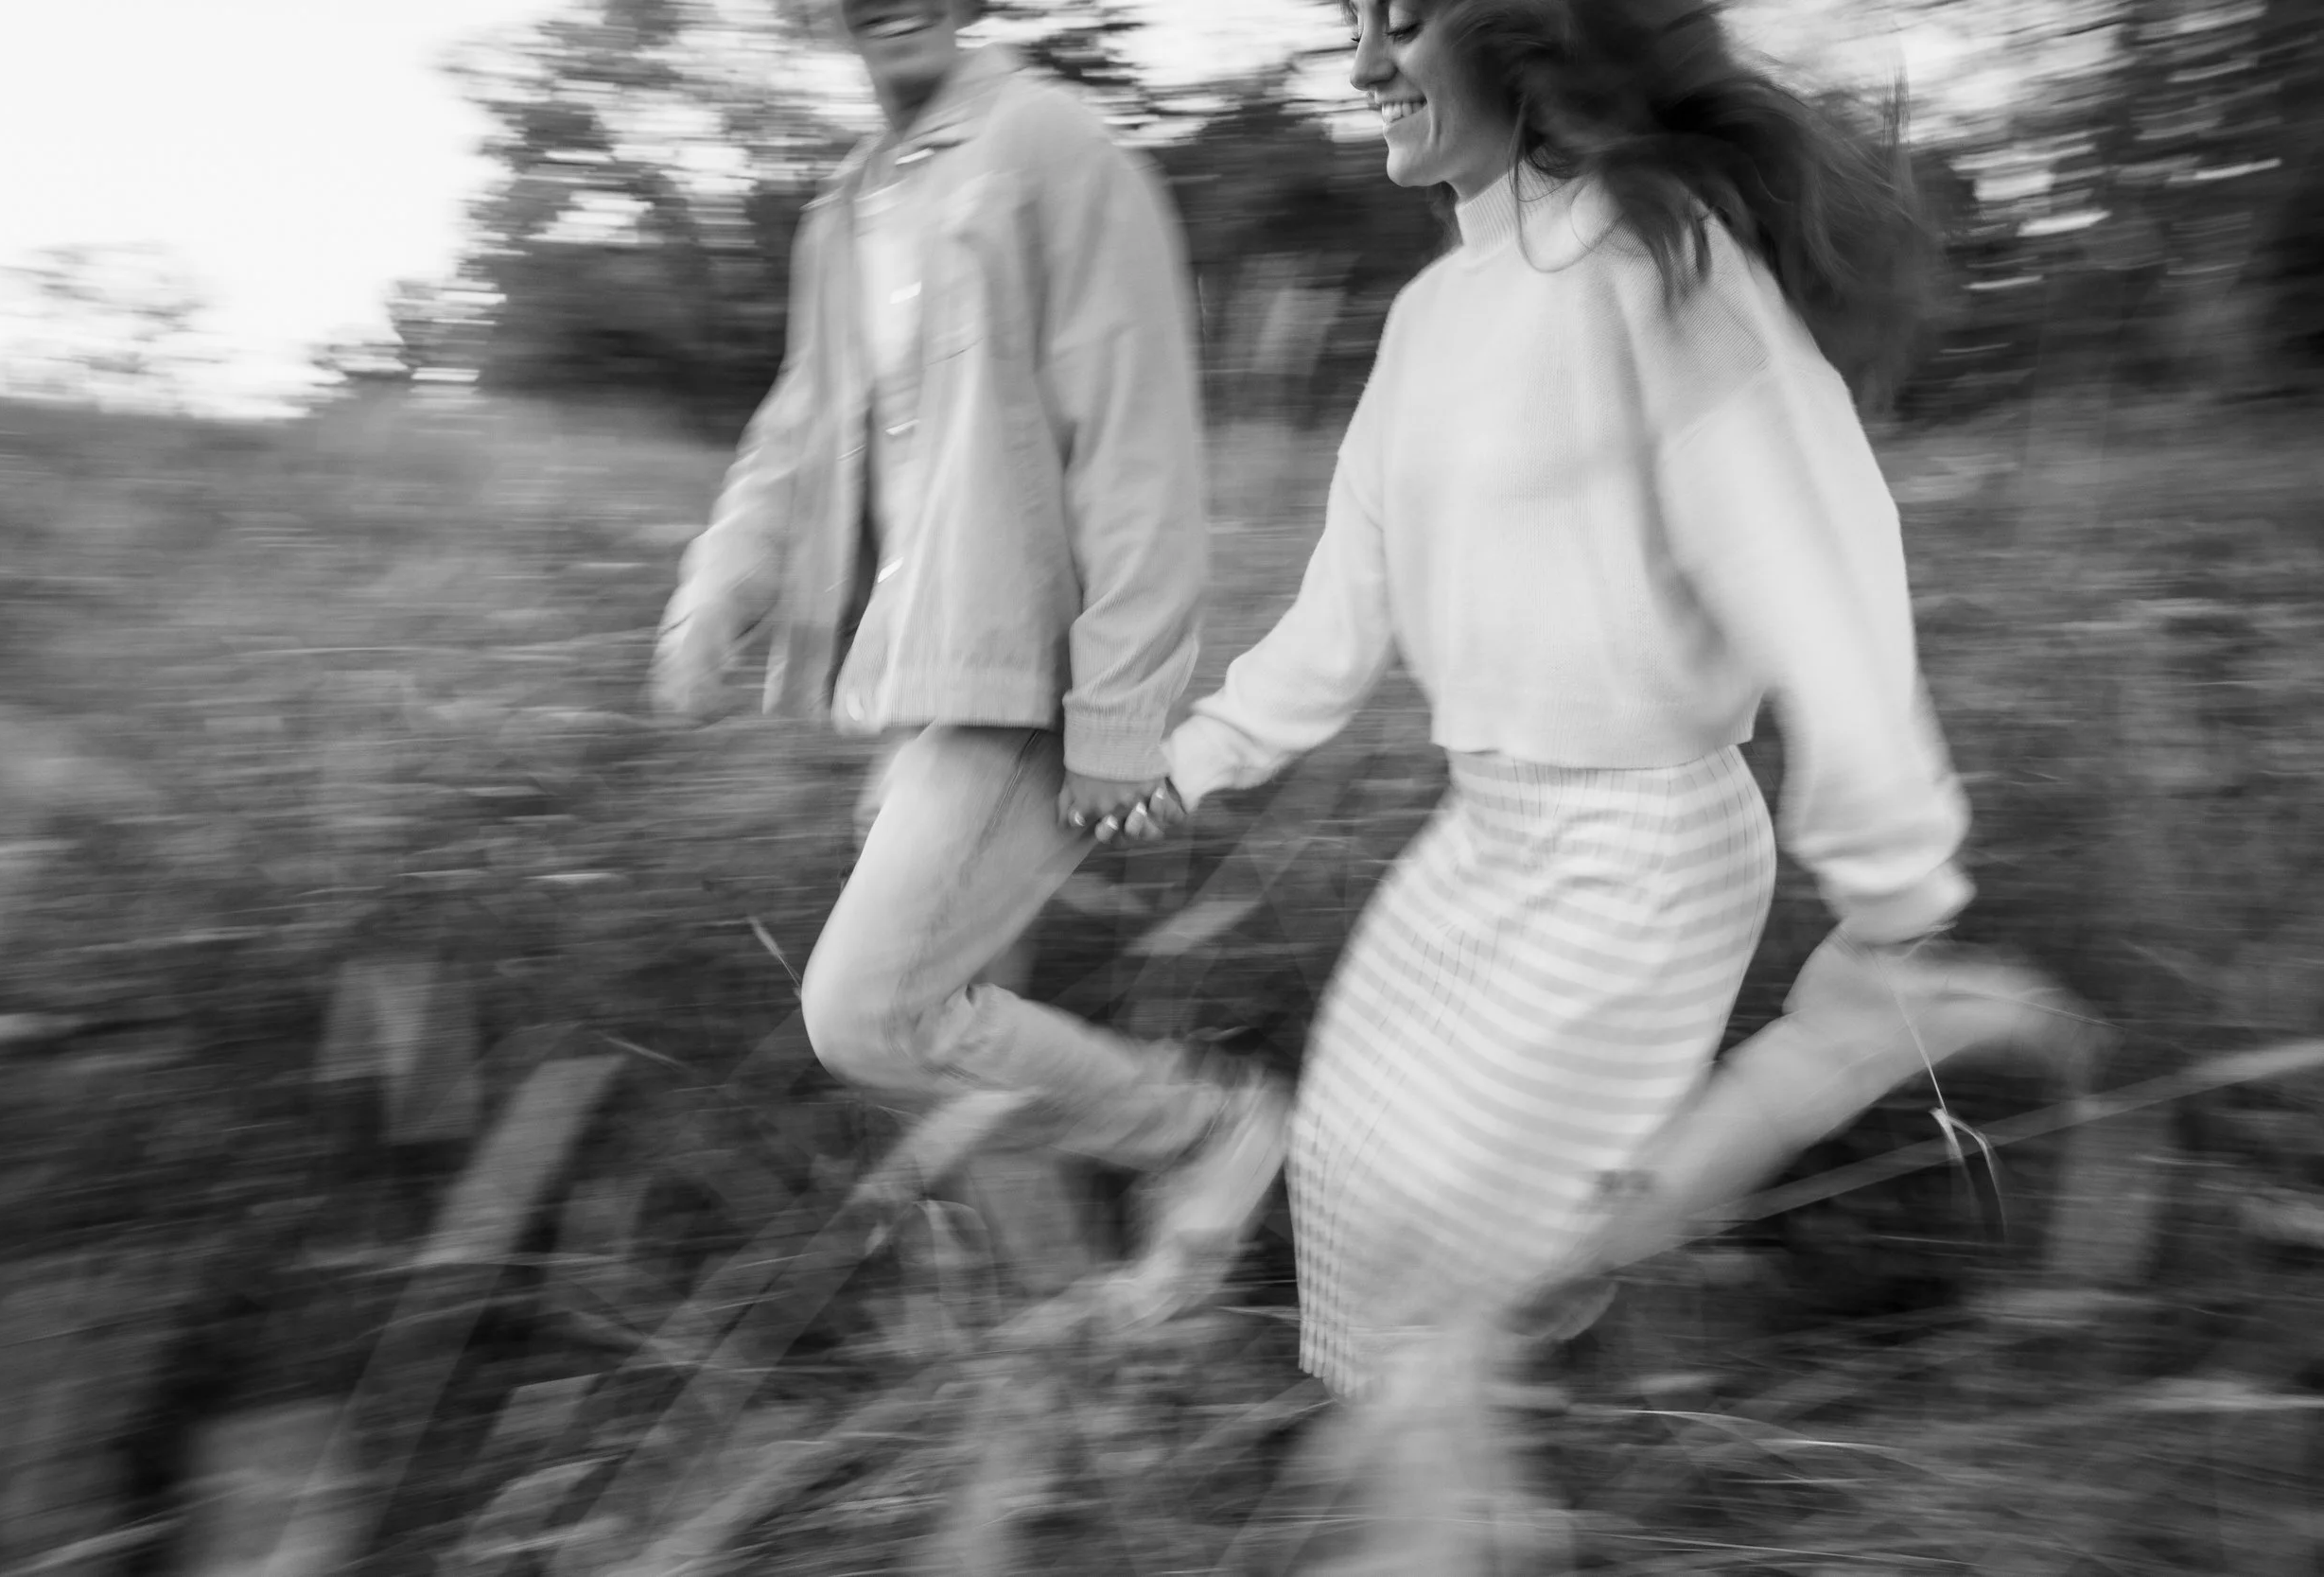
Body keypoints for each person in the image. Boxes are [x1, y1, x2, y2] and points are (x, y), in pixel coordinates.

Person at [1147, 0, 2020, 1406]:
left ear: (1520, 34)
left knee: (1467, 1255)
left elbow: (1820, 567)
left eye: (1407, 22)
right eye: (1355, 25)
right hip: (1482, 835)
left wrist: (1894, 892)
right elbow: (1342, 604)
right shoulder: (1432, 315)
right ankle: (1475, 1473)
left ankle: (1819, 1072)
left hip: (1645, 851)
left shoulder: (1657, 262)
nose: (1367, 64)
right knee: (1354, 1180)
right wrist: (1188, 760)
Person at [648, 0, 1284, 1322]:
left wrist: (1120, 706)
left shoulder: (1049, 142)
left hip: (1032, 671)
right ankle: (1075, 1348)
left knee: (873, 1012)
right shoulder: (850, 207)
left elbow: (1138, 437)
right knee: (967, 1027)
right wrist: (721, 583)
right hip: (921, 678)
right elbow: (801, 428)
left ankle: (1212, 1131)